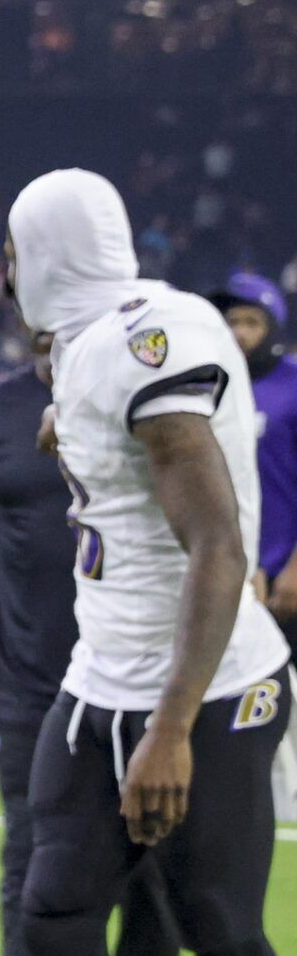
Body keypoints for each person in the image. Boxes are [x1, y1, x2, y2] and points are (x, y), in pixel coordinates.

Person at [8, 168, 297, 956]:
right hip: (106, 680)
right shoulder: (143, 320)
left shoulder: (137, 348)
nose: (5, 276)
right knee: (54, 915)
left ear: (42, 255)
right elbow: (132, 449)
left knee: (221, 933)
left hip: (202, 688)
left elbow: (218, 547)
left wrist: (172, 727)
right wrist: (73, 433)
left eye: (13, 253)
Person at [0, 355, 188, 956]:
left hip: (140, 674)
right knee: (27, 858)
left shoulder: (154, 382)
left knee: (155, 862)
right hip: (27, 682)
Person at [211, 271, 297, 823]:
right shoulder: (208, 387)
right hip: (228, 575)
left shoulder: (293, 386)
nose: (238, 332)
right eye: (230, 321)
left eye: (250, 322)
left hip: (284, 571)